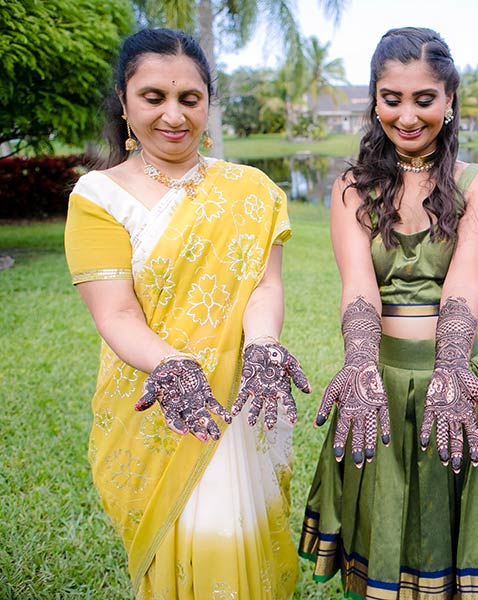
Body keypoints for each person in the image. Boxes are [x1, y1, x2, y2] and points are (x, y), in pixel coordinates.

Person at [64, 28, 309, 598]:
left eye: (189, 99)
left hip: (242, 395)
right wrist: (175, 368)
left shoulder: (253, 191)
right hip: (159, 403)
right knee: (188, 539)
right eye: (153, 97)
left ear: (206, 104)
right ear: (124, 104)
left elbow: (264, 287)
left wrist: (264, 345)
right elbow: (117, 313)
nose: (173, 115)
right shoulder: (99, 198)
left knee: (242, 535)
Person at [298, 27, 478, 600]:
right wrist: (359, 368)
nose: (406, 115)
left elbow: (464, 284)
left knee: (448, 544)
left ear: (449, 100)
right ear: (374, 101)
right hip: (375, 382)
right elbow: (358, 286)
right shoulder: (352, 188)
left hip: (457, 384)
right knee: (380, 531)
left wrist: (450, 370)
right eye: (391, 98)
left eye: (423, 99)